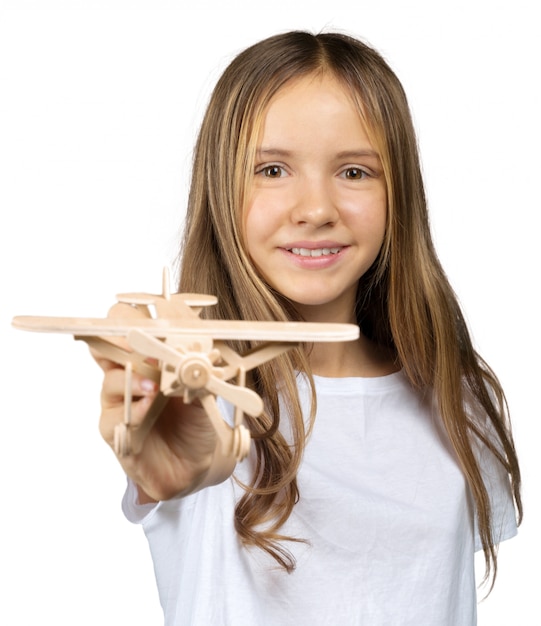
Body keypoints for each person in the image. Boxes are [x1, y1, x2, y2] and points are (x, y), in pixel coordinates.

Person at [94, 31, 522, 625]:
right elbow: (172, 461)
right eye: (272, 169)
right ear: (222, 188)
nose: (316, 208)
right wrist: (158, 450)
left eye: (354, 171)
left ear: (399, 191)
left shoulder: (454, 395)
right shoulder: (200, 394)